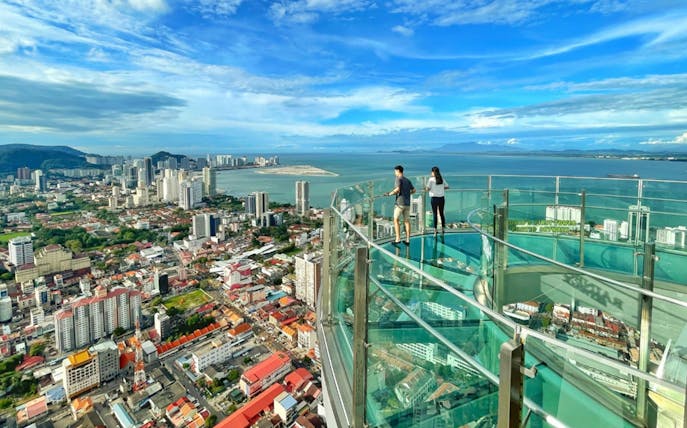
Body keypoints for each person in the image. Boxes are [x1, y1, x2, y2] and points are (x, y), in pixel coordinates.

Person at [384, 165, 416, 246]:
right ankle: (408, 240)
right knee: (407, 221)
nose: (394, 173)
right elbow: (414, 190)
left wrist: (389, 194)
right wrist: (407, 194)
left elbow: (397, 189)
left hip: (400, 203)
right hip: (407, 204)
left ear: (398, 171)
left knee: (395, 219)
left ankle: (398, 239)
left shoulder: (398, 179)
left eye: (395, 171)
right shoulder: (407, 180)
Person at [426, 166, 449, 236]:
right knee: (441, 214)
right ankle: (442, 229)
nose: (431, 173)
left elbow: (427, 188)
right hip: (442, 198)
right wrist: (441, 188)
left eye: (431, 172)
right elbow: (447, 186)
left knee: (435, 214)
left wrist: (428, 189)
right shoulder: (441, 179)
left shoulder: (431, 180)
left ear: (433, 172)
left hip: (434, 199)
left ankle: (435, 231)